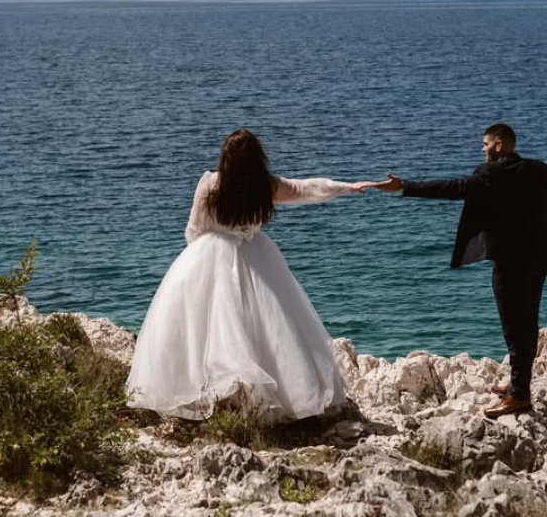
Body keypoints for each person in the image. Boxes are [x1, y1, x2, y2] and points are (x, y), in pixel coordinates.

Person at [126, 129, 374, 423]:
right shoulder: (265, 187)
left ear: (226, 158)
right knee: (266, 327)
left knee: (203, 329)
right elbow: (307, 188)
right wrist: (347, 187)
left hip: (208, 254)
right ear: (258, 159)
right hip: (256, 256)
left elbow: (193, 230)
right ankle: (270, 399)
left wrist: (201, 258)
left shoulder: (210, 185)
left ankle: (203, 391)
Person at [374, 123, 547, 418]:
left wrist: (404, 186)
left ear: (499, 145)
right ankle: (518, 385)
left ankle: (520, 396)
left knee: (515, 329)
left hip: (511, 264)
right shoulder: (540, 169)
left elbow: (453, 189)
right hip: (540, 259)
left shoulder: (490, 174)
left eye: (485, 144)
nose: (483, 149)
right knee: (528, 324)